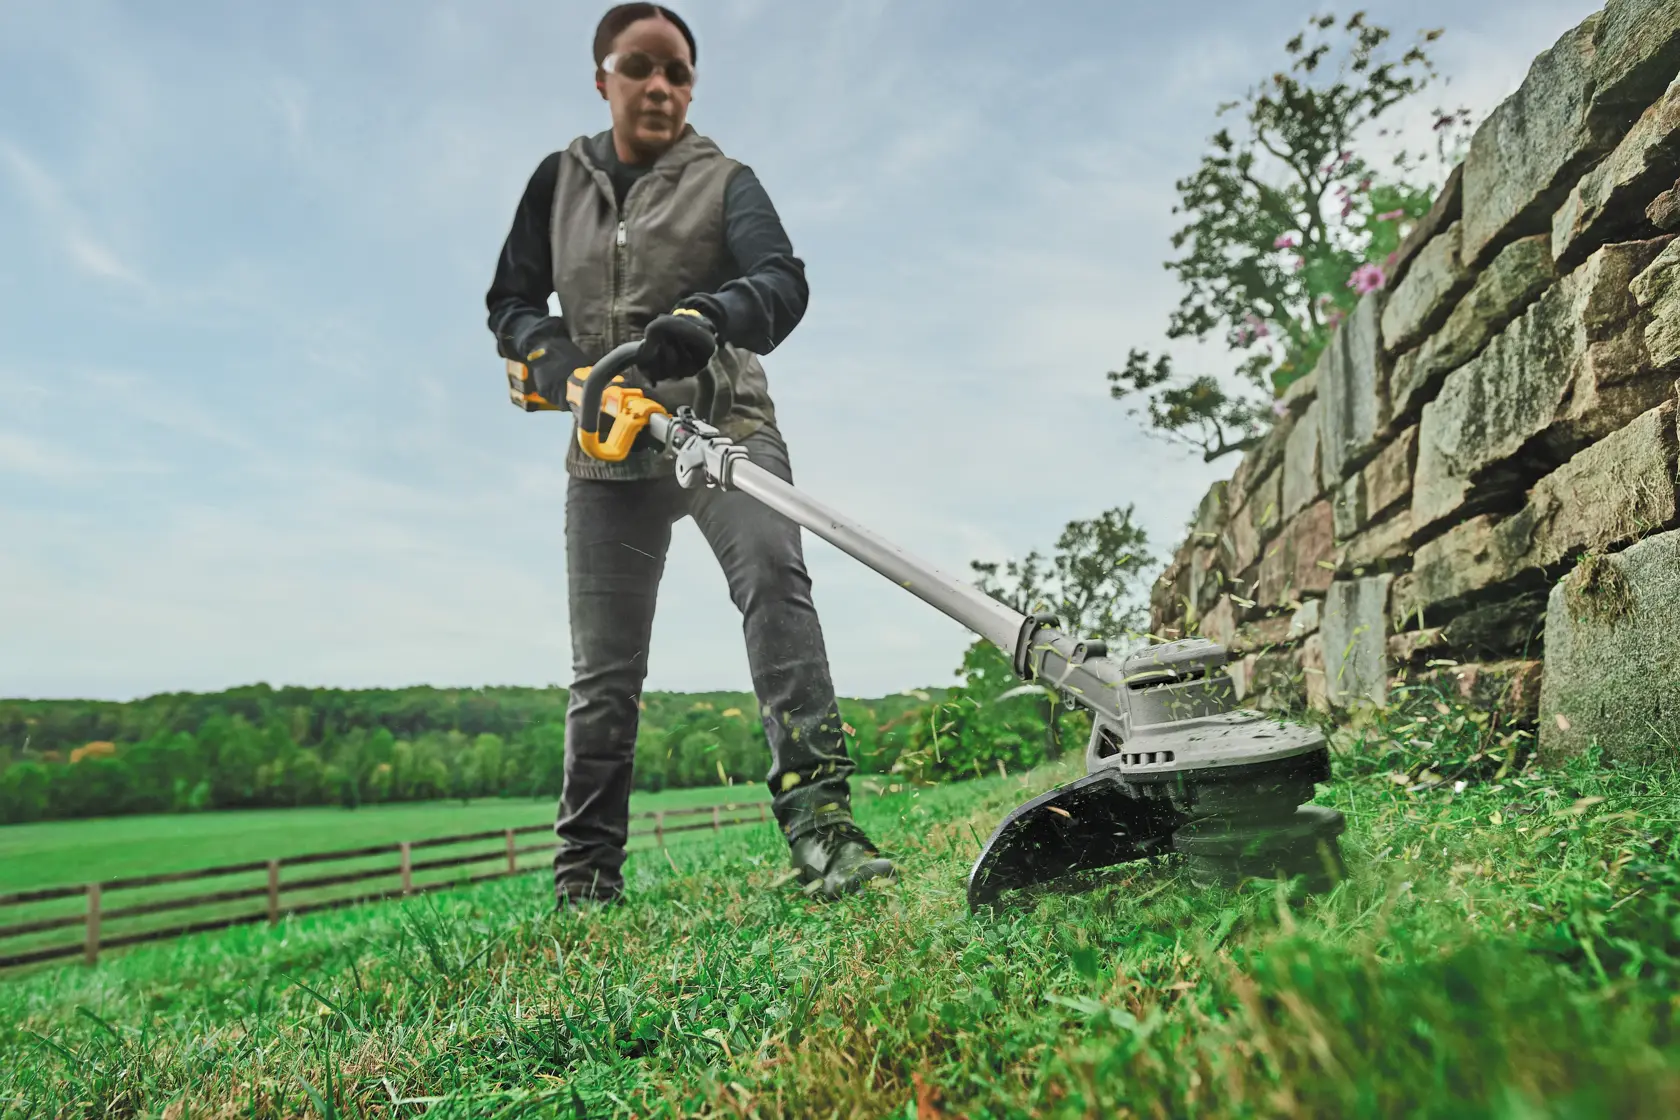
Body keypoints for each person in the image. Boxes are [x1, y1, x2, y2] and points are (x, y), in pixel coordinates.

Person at [485, 3, 896, 908]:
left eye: (678, 72)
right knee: (605, 669)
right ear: (604, 78)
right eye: (641, 67)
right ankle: (586, 877)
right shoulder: (557, 182)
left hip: (723, 430)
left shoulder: (725, 181)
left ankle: (822, 827)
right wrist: (555, 361)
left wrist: (709, 319)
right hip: (607, 450)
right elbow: (511, 301)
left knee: (774, 588)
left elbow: (781, 281)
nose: (661, 86)